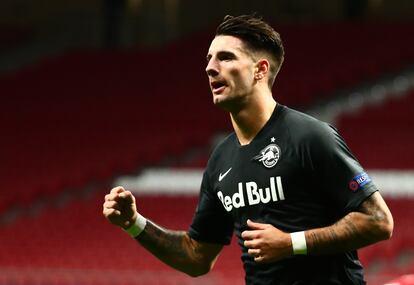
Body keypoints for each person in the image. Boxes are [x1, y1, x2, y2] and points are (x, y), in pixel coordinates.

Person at [103, 14, 394, 284]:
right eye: (209, 59)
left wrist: (292, 243)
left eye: (226, 57)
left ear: (260, 69)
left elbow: (379, 221)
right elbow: (196, 256)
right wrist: (133, 223)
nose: (210, 67)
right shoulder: (221, 160)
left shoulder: (310, 137)